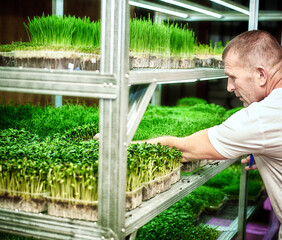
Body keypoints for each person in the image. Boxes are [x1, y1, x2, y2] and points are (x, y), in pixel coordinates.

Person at [143, 30, 282, 239]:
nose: (229, 87)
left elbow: (185, 149)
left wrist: (121, 144)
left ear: (261, 75)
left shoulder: (263, 116)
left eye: (232, 77)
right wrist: (265, 153)